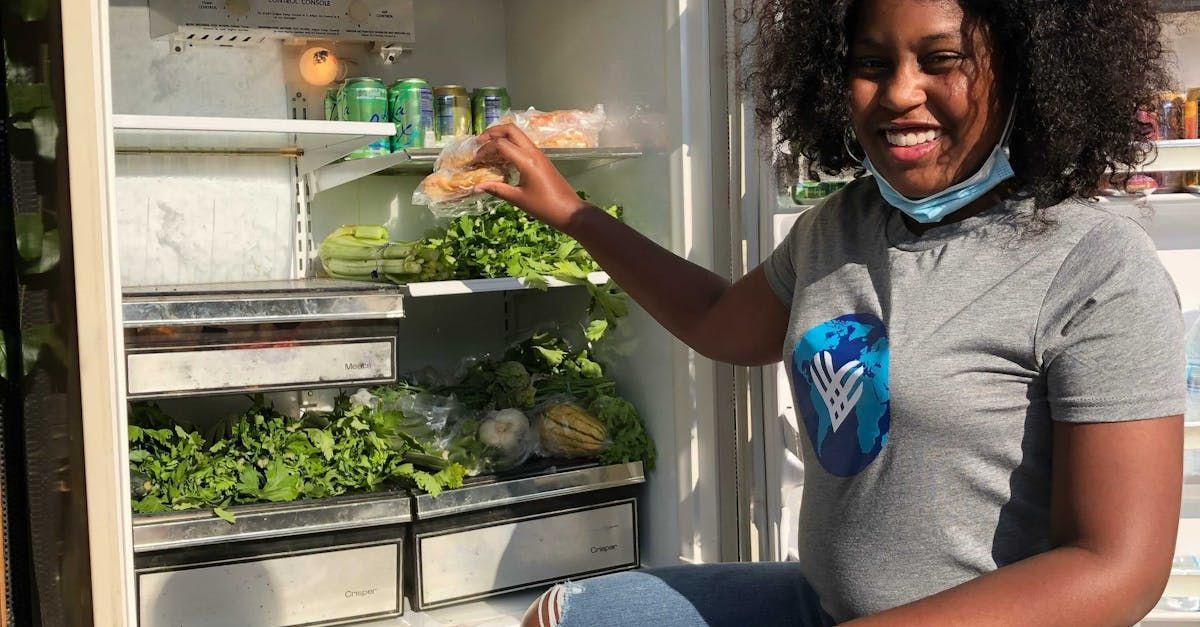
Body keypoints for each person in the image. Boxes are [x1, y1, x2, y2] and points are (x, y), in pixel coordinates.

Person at [473, 0, 1187, 624]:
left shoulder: (1095, 266)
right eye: (872, 63)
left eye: (942, 60)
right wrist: (572, 212)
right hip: (821, 606)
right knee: (565, 616)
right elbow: (719, 318)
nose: (901, 93)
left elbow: (1116, 567)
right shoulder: (838, 227)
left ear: (1024, 71)